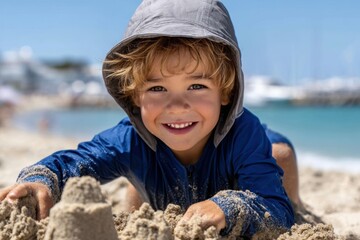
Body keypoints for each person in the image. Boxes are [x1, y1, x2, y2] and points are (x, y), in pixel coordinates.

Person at [0, 0, 296, 237]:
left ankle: (300, 199)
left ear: (226, 92)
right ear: (134, 96)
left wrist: (232, 206)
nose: (178, 105)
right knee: (137, 174)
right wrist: (41, 180)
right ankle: (140, 185)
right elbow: (71, 163)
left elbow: (276, 209)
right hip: (153, 171)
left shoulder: (245, 133)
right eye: (157, 88)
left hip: (254, 158)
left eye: (197, 86)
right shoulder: (128, 139)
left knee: (280, 154)